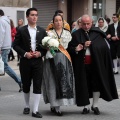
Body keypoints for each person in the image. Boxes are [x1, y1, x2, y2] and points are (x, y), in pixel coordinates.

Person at [68, 14, 118, 115]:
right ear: (80, 23)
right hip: (82, 65)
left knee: (96, 84)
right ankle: (85, 106)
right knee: (84, 85)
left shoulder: (98, 33)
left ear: (92, 23)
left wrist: (95, 48)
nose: (86, 26)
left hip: (96, 64)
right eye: (84, 24)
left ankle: (95, 105)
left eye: (88, 23)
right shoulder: (76, 34)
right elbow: (71, 49)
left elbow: (103, 48)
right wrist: (80, 47)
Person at [13, 8, 47, 118]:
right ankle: (27, 105)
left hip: (37, 62)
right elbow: (15, 45)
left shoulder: (42, 31)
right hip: (25, 61)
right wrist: (24, 53)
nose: (34, 17)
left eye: (36, 15)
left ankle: (35, 110)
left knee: (37, 85)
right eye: (32, 15)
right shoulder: (21, 30)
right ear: (27, 17)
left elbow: (46, 47)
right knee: (26, 84)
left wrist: (40, 54)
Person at [42, 13, 75, 116]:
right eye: (56, 20)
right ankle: (55, 105)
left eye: (60, 20)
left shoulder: (67, 33)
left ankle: (59, 104)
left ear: (63, 21)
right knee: (52, 81)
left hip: (64, 59)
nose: (58, 22)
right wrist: (47, 47)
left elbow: (70, 48)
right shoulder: (49, 33)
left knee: (62, 82)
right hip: (51, 60)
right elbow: (43, 46)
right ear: (53, 22)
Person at [0, 9, 22, 92]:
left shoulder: (1, 21)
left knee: (4, 66)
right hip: (6, 46)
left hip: (3, 47)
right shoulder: (6, 21)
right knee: (2, 66)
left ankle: (20, 81)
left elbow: (1, 35)